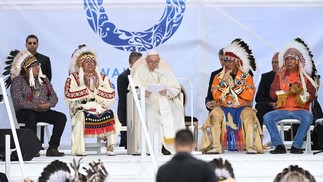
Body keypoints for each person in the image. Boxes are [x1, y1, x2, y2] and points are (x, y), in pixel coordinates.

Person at [199, 38, 264, 154]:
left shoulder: (246, 77)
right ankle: (216, 146)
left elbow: (249, 96)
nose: (226, 64)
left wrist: (235, 89)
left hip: (242, 108)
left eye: (230, 61)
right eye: (225, 61)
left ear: (237, 62)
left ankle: (251, 146)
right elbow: (216, 95)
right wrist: (227, 88)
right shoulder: (218, 77)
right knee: (214, 114)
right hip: (224, 107)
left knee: (250, 114)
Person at [4, 50, 66, 157]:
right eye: (34, 66)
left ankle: (52, 148)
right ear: (26, 68)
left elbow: (54, 96)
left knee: (61, 117)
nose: (37, 68)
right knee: (31, 116)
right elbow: (18, 100)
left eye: (38, 65)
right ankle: (31, 148)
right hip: (24, 112)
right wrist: (35, 105)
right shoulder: (18, 81)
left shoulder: (44, 79)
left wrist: (48, 104)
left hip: (43, 110)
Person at [264, 38, 318, 154]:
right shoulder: (279, 75)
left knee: (308, 118)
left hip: (300, 110)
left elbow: (312, 96)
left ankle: (296, 146)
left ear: (298, 61)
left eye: (292, 59)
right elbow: (272, 95)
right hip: (282, 110)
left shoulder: (306, 76)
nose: (289, 61)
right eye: (287, 59)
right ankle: (279, 145)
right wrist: (282, 94)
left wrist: (300, 93)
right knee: (267, 117)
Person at [64, 45, 121, 156]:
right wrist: (85, 88)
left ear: (95, 64)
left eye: (92, 61)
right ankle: (79, 149)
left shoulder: (103, 77)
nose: (90, 63)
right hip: (82, 108)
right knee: (81, 117)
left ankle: (110, 146)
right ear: (80, 64)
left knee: (111, 114)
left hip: (99, 107)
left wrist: (97, 88)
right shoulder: (73, 78)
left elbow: (111, 94)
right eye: (86, 61)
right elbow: (68, 94)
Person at [131, 50, 185, 155]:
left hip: (166, 101)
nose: (153, 64)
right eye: (151, 62)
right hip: (149, 101)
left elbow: (176, 88)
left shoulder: (165, 71)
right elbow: (134, 89)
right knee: (151, 115)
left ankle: (171, 147)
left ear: (159, 60)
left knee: (177, 113)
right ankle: (154, 147)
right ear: (146, 60)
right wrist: (144, 92)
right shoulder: (140, 70)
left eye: (156, 62)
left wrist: (167, 92)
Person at [117, 52, 142, 148]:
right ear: (134, 62)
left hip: (140, 110)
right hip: (127, 112)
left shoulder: (141, 75)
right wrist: (134, 111)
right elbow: (123, 98)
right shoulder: (123, 77)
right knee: (126, 144)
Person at [255, 52, 279, 129]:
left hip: (286, 106)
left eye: (276, 62)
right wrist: (271, 103)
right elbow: (259, 97)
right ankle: (259, 135)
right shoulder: (265, 77)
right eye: (272, 62)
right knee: (259, 106)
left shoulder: (290, 76)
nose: (274, 64)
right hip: (270, 106)